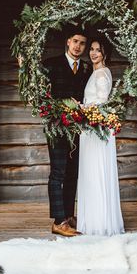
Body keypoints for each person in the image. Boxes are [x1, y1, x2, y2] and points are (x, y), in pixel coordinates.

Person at [43, 29, 92, 237]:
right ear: (68, 42)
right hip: (57, 126)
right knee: (58, 173)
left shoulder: (86, 69)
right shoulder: (51, 64)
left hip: (78, 127)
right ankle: (58, 221)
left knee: (73, 173)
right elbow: (41, 93)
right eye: (75, 41)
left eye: (82, 43)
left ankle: (69, 216)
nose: (78, 46)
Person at [77, 37, 125, 236]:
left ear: (105, 53)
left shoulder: (102, 74)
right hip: (90, 129)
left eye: (98, 50)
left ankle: (99, 222)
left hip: (97, 130)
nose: (93, 53)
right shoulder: (95, 72)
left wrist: (81, 107)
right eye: (92, 49)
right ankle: (94, 218)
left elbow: (103, 102)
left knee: (96, 172)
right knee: (91, 173)